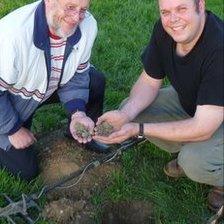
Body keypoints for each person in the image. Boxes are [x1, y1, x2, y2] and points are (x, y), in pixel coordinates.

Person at [94, 0, 224, 212]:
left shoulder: (219, 48)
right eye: (166, 11)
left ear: (200, 5)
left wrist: (138, 130)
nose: (173, 20)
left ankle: (213, 171)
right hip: (198, 103)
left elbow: (204, 127)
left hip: (213, 117)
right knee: (132, 110)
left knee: (194, 161)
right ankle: (191, 149)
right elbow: (148, 81)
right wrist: (125, 115)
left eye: (181, 9)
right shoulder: (165, 31)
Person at [0, 0, 106, 181]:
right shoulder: (11, 35)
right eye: (70, 7)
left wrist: (78, 113)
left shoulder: (88, 25)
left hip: (48, 85)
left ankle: (83, 134)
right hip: (12, 98)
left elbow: (78, 74)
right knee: (26, 171)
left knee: (94, 81)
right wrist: (13, 129)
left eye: (83, 10)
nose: (76, 18)